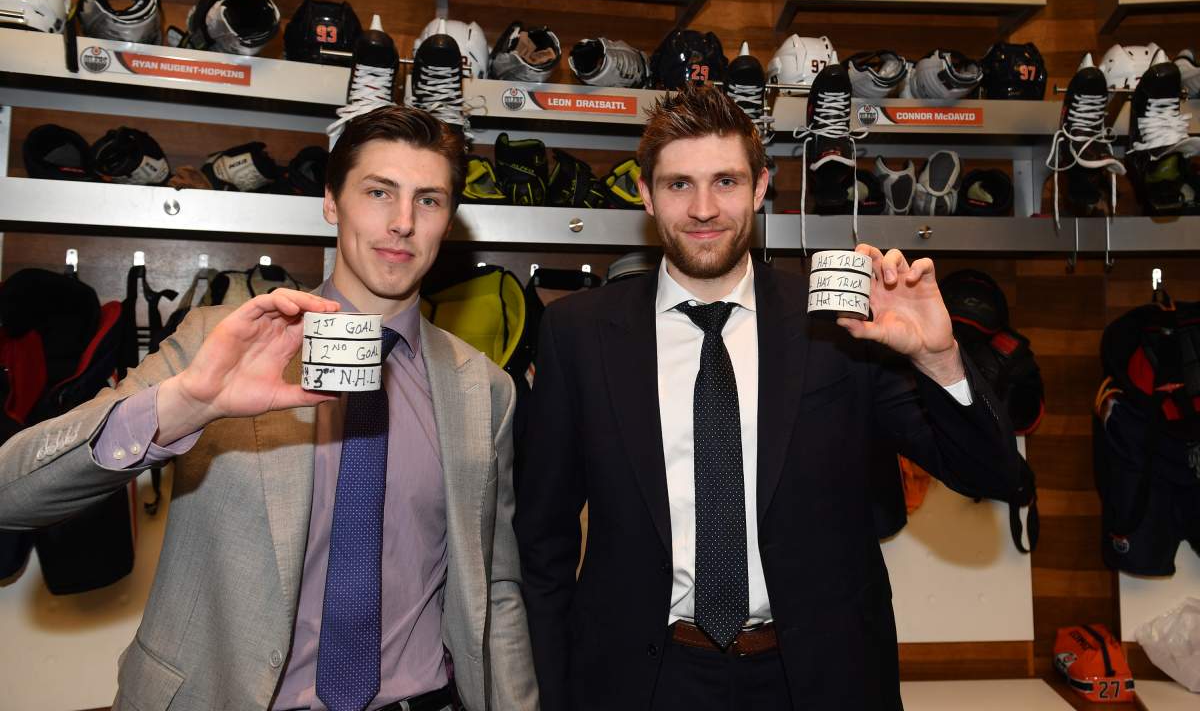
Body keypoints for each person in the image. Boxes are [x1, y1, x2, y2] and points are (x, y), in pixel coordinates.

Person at [0, 106, 538, 711]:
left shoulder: (485, 389)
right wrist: (185, 405)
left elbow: (496, 586)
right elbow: (12, 493)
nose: (403, 223)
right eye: (379, 192)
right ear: (331, 201)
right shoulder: (218, 343)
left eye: (430, 200)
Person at [513, 86, 1020, 711]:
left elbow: (992, 475)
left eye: (725, 181)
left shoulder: (838, 322)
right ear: (645, 195)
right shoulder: (579, 334)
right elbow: (544, 540)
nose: (703, 208)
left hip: (818, 678)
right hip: (643, 680)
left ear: (759, 188)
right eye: (679, 185)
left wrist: (937, 357)